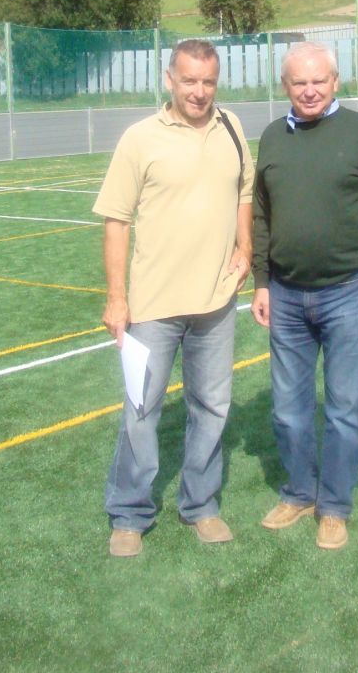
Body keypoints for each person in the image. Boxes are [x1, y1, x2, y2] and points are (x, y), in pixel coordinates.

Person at [93, 39, 254, 558]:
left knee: (211, 407)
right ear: (169, 80)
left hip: (216, 302)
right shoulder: (140, 138)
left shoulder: (232, 128)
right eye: (189, 81)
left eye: (208, 81)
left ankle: (201, 505)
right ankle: (129, 513)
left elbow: (244, 191)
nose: (199, 92)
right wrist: (117, 298)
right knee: (141, 411)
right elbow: (116, 220)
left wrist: (246, 247)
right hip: (152, 307)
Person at [250, 41, 358, 551]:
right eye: (299, 82)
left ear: (336, 81)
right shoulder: (272, 138)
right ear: (285, 86)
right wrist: (260, 281)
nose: (309, 90)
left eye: (319, 80)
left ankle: (335, 506)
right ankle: (300, 492)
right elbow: (261, 215)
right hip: (285, 296)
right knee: (288, 408)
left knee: (344, 408)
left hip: (350, 294)